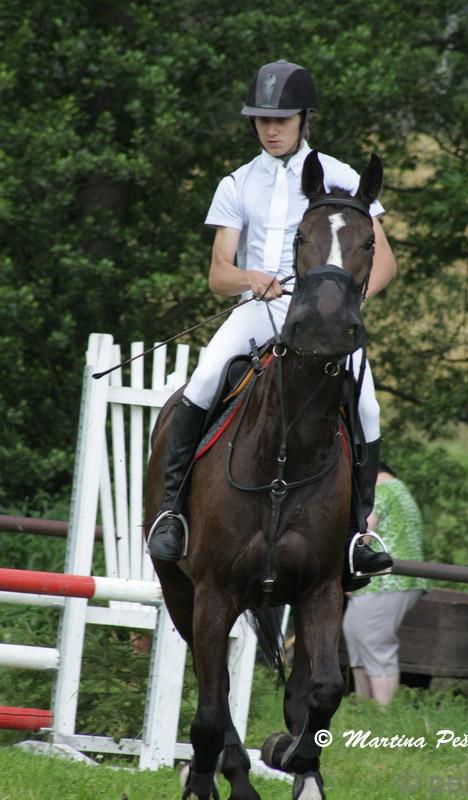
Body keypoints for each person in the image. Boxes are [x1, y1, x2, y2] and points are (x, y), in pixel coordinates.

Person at [147, 59, 397, 583]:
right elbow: (218, 274)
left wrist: (345, 307)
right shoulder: (236, 183)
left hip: (325, 323)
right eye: (262, 120)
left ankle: (357, 536)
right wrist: (249, 278)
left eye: (281, 119)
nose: (271, 129)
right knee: (203, 382)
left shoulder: (341, 176)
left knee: (368, 406)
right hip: (258, 311)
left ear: (304, 118)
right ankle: (171, 513)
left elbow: (385, 263)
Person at [342, 463, 428, 705]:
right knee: (355, 634)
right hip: (394, 581)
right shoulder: (399, 490)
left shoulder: (381, 491)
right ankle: (364, 706)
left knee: (374, 641)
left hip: (386, 581)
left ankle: (382, 711)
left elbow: (363, 536)